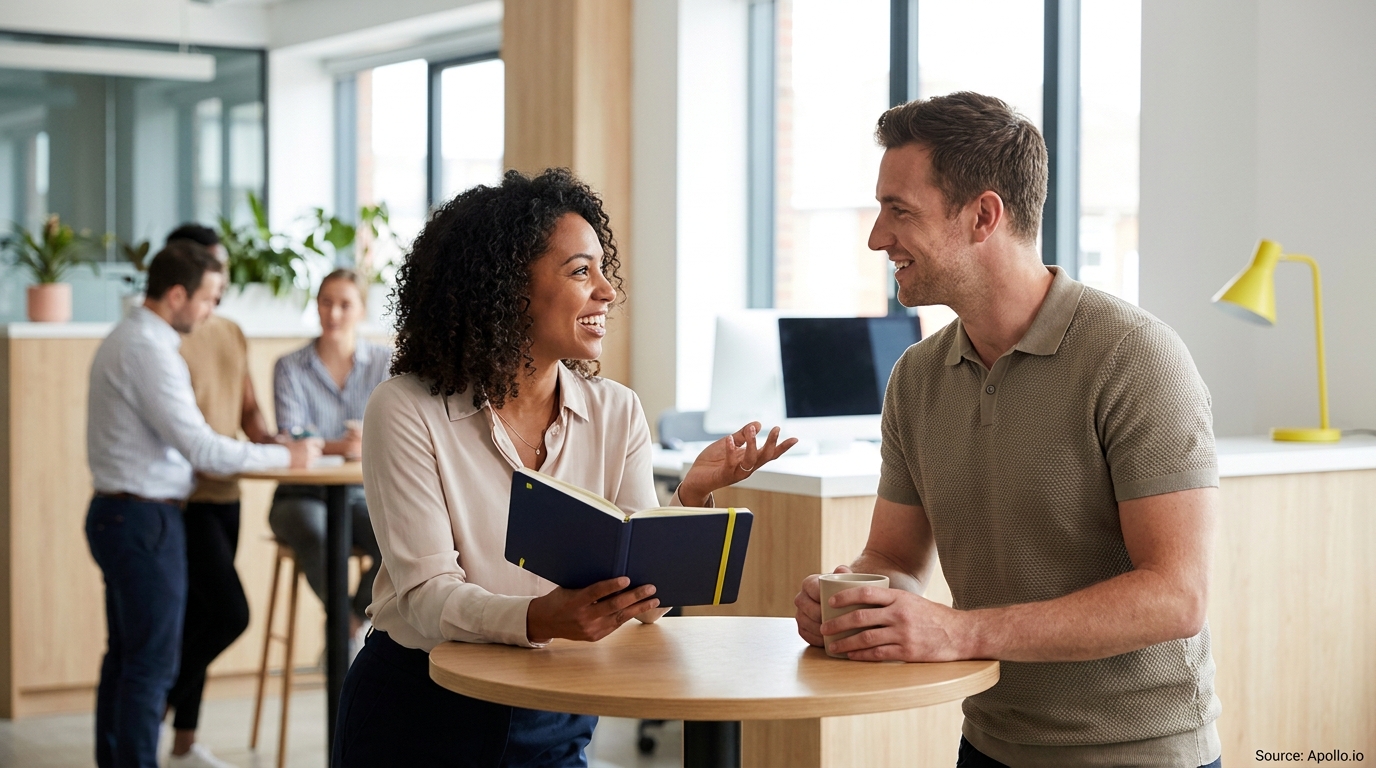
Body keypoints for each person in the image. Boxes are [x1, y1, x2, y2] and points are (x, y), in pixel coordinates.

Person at [792, 92, 1222, 768]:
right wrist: (854, 600)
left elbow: (1175, 595)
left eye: (899, 211)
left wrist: (958, 631)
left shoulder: (1134, 357)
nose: (877, 238)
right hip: (990, 746)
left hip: (1138, 754)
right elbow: (895, 559)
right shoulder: (916, 378)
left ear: (983, 216)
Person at [333, 168, 796, 767]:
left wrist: (688, 498)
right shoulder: (406, 409)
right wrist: (536, 616)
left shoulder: (617, 411)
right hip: (423, 707)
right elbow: (424, 596)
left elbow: (642, 601)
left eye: (603, 270)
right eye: (581, 271)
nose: (607, 291)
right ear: (506, 289)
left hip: (555, 706)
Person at [85, 241, 322, 768]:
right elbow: (202, 447)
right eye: (210, 298)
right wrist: (287, 457)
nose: (213, 311)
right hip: (145, 518)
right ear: (177, 295)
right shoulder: (148, 350)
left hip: (126, 514)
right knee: (148, 665)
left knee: (126, 659)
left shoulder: (132, 338)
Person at [160, 223, 274, 768]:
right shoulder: (169, 335)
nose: (220, 278)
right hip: (186, 500)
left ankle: (185, 739)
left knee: (203, 615)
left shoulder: (230, 331)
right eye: (211, 267)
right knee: (225, 613)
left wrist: (286, 446)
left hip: (229, 495)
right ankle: (160, 703)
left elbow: (249, 413)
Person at [268, 268, 389, 648]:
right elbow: (293, 439)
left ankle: (350, 626)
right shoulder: (290, 366)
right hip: (299, 497)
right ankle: (348, 631)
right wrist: (352, 444)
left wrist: (347, 443)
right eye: (325, 303)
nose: (333, 314)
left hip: (361, 496)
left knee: (401, 537)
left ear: (360, 310)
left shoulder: (385, 362)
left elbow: (399, 432)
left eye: (344, 304)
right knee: (317, 532)